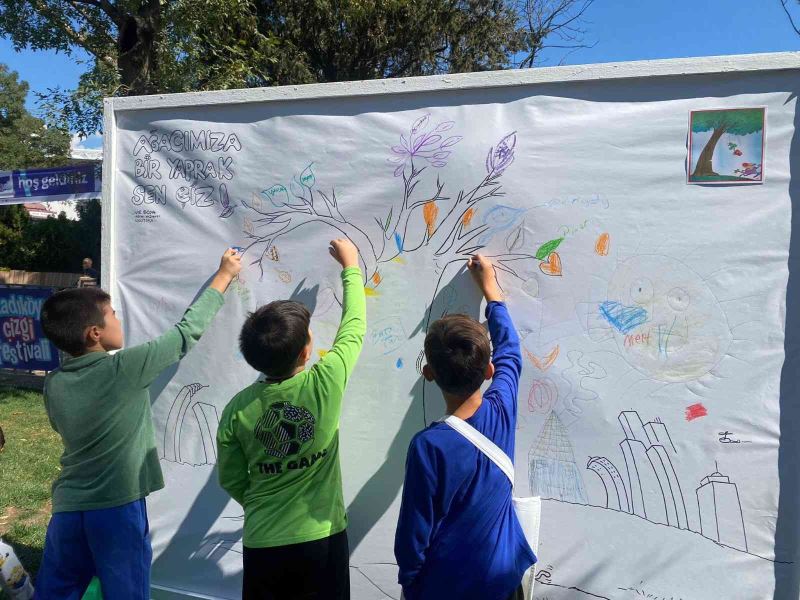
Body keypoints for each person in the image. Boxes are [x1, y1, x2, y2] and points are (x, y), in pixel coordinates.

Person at [35, 248, 242, 600]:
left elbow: (61, 427)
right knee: (126, 591)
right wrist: (223, 276)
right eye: (112, 315)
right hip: (116, 509)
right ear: (94, 333)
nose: (119, 320)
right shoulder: (124, 368)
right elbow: (184, 334)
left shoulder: (53, 383)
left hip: (68, 508)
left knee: (58, 590)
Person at [217, 238, 366, 600]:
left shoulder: (237, 409)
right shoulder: (325, 382)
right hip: (322, 538)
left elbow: (232, 479)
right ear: (306, 351)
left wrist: (261, 503)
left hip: (263, 542)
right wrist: (351, 267)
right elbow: (354, 328)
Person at [394, 254, 536, 600]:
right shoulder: (502, 409)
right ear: (488, 372)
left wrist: (411, 582)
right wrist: (492, 292)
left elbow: (413, 534)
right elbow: (510, 354)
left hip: (445, 588)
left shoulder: (427, 446)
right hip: (502, 583)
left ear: (428, 374)